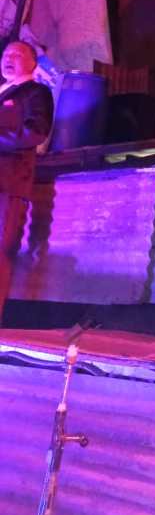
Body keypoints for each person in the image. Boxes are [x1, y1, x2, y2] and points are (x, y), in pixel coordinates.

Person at [0, 41, 54, 323]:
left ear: (34, 63)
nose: (9, 58)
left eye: (18, 54)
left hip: (7, 184)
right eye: (6, 54)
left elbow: (35, 132)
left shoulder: (36, 92)